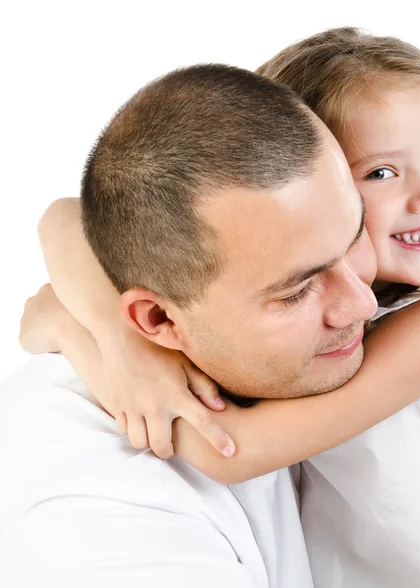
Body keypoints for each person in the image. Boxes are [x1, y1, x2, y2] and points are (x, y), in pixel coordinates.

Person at [21, 28, 420, 587]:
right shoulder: (82, 496)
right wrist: (104, 330)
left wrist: (116, 357)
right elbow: (67, 216)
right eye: (381, 172)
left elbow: (229, 451)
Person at [2, 63, 379, 588]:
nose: (362, 303)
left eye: (356, 235)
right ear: (157, 320)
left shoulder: (262, 339)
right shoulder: (101, 521)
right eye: (297, 290)